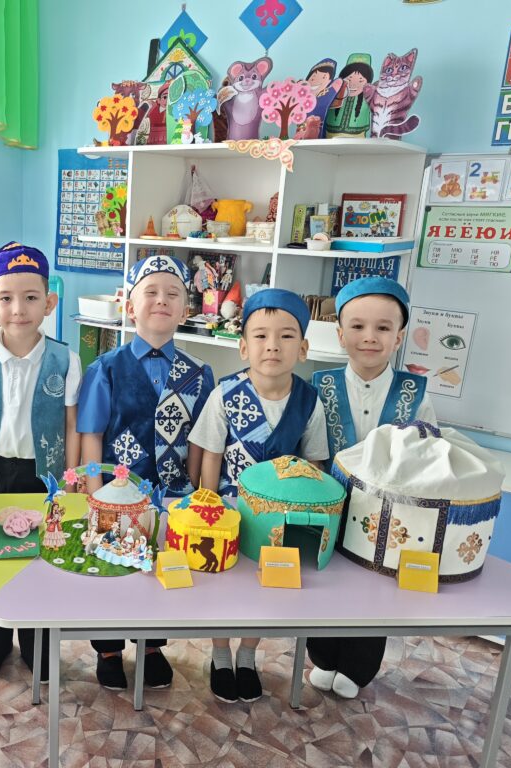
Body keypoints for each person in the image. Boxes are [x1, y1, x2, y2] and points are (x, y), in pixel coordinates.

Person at [78, 254, 214, 690]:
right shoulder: (105, 368)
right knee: (113, 568)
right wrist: (95, 495)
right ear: (129, 307)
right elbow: (92, 434)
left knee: (159, 567)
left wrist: (197, 496)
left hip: (173, 494)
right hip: (117, 495)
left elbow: (202, 441)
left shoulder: (199, 374)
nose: (162, 300)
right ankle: (108, 649)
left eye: (173, 294)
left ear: (185, 310)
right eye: (150, 292)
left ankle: (152, 644)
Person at [189, 288, 329, 703]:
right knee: (224, 586)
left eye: (286, 336)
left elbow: (316, 465)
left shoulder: (309, 402)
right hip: (229, 511)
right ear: (243, 346)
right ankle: (219, 654)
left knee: (266, 588)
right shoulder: (225, 394)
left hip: (280, 520)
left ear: (303, 348)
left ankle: (248, 654)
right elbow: (211, 455)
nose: (273, 346)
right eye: (261, 336)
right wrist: (209, 507)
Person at [306, 276, 435, 699]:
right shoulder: (319, 386)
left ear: (399, 337)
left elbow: (428, 453)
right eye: (358, 326)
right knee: (327, 582)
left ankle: (358, 667)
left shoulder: (415, 393)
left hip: (388, 515)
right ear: (340, 333)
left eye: (383, 328)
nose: (369, 337)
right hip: (330, 507)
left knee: (374, 587)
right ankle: (323, 656)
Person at [0, 242, 82, 681]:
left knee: (39, 558)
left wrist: (70, 477)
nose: (18, 309)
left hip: (43, 473)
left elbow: (71, 423)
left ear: (49, 303)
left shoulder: (65, 358)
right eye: (6, 298)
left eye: (31, 297)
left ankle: (36, 643)